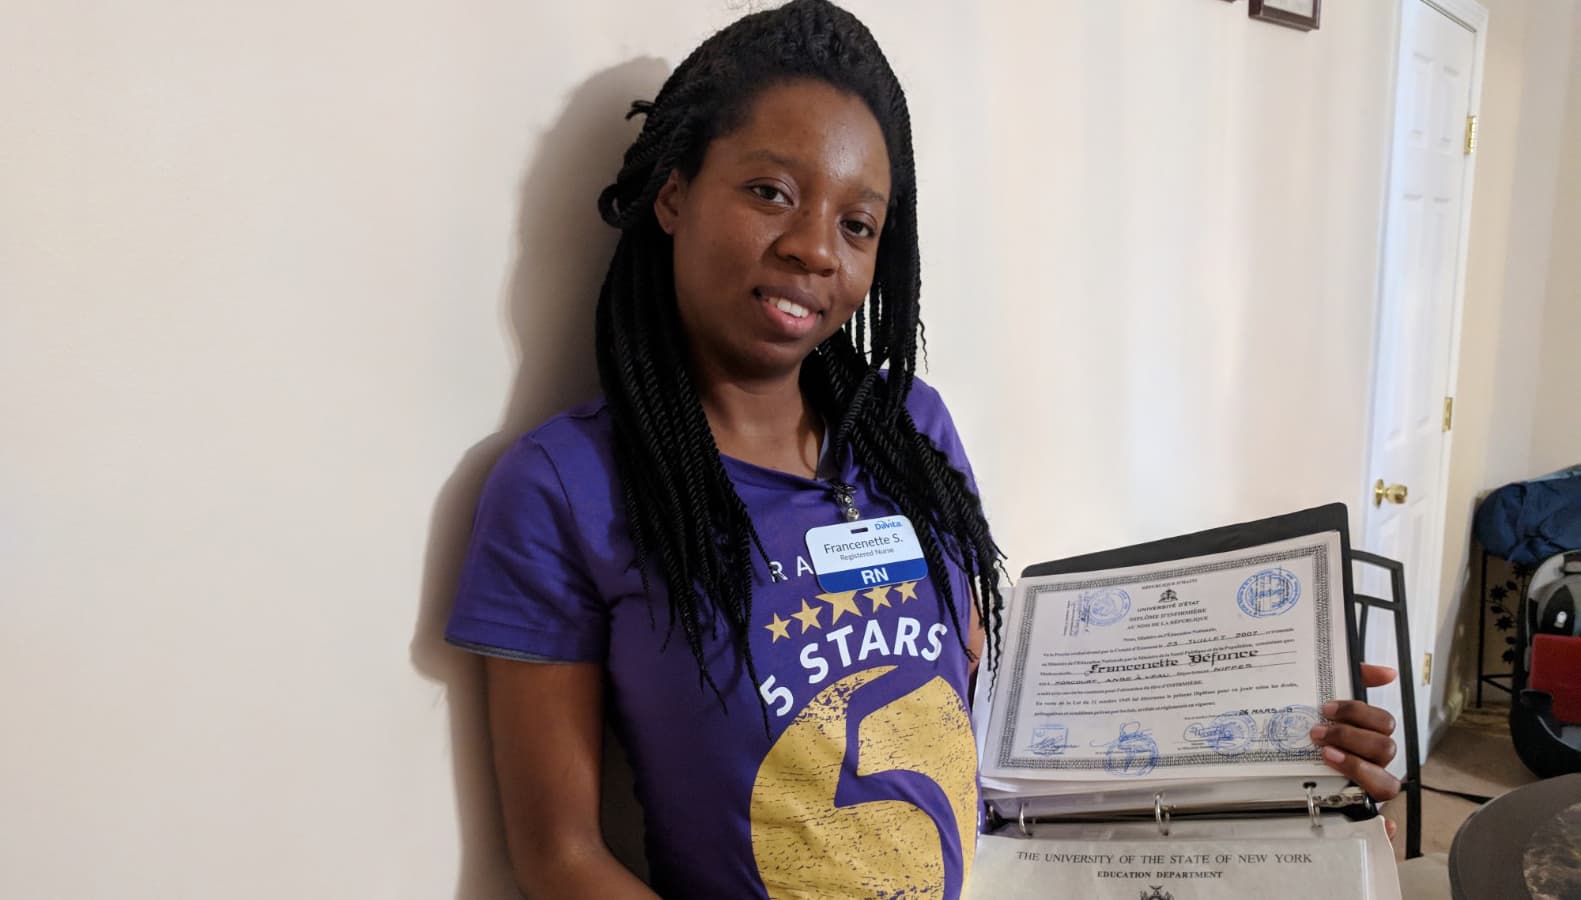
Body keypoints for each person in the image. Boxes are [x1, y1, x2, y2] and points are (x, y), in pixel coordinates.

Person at [444, 2, 1401, 897]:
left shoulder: (908, 431)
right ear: (672, 194)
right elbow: (558, 858)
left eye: (856, 224)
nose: (815, 249)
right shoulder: (562, 489)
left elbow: (990, 720)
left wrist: (1272, 737)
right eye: (770, 191)